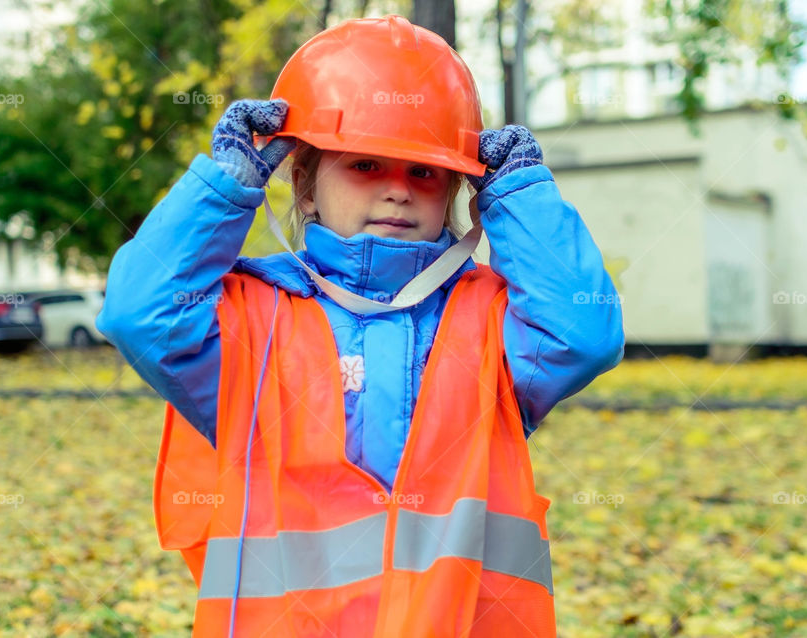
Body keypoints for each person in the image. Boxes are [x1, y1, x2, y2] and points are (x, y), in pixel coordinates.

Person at [97, 14, 623, 638]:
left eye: (425, 171)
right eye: (366, 165)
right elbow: (140, 312)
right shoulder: (252, 322)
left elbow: (584, 331)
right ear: (306, 186)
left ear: (458, 188)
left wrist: (519, 195)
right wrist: (227, 185)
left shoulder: (490, 321)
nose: (398, 191)